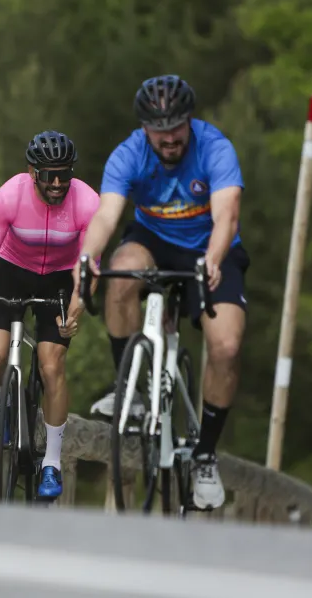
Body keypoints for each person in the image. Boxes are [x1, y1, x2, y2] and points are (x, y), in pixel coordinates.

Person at [73, 74, 248, 510]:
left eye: (177, 126)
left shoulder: (215, 148)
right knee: (119, 275)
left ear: (190, 121)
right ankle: (129, 387)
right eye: (159, 129)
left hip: (210, 244)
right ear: (145, 127)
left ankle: (205, 454)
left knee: (226, 346)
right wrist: (87, 259)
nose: (169, 137)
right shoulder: (128, 154)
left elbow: (227, 215)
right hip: (152, 239)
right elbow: (105, 216)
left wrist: (212, 257)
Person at [0, 131, 99, 500]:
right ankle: (3, 402)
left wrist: (75, 311)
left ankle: (50, 461)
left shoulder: (87, 203)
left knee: (51, 366)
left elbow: (89, 271)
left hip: (62, 280)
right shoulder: (10, 195)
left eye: (63, 174)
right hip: (13, 271)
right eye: (48, 174)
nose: (55, 183)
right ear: (31, 172)